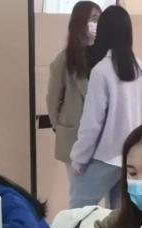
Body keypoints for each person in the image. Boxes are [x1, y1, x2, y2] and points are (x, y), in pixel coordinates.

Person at [68, 5, 142, 209]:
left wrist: (78, 158)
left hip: (104, 158)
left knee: (77, 213)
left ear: (104, 32)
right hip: (131, 158)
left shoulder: (102, 71)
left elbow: (91, 124)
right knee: (120, 217)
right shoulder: (140, 68)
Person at [47, 1, 101, 172]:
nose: (97, 24)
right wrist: (58, 127)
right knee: (78, 186)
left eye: (100, 19)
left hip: (100, 138)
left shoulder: (104, 56)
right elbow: (53, 99)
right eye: (93, 19)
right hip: (73, 136)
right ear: (80, 22)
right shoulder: (64, 59)